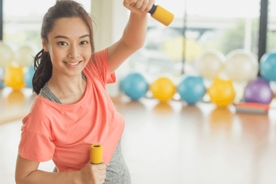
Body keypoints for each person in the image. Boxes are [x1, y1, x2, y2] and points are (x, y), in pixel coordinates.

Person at [15, 0, 154, 183]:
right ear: (45, 43)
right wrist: (78, 177)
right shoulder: (43, 114)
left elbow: (131, 43)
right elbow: (24, 177)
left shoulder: (93, 70)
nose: (74, 54)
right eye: (63, 43)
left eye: (83, 42)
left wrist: (139, 13)